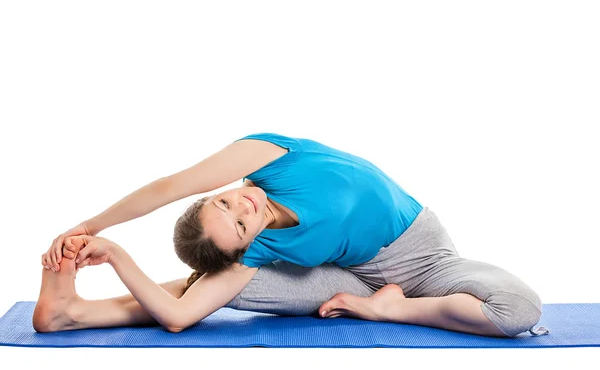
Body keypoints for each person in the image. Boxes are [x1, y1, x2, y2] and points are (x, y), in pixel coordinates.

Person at [34, 132, 547, 337]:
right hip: (346, 284)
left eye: (225, 201)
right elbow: (178, 317)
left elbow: (169, 186)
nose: (243, 206)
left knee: (519, 310)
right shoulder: (259, 247)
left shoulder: (269, 158)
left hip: (423, 259)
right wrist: (118, 255)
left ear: (215, 192)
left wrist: (89, 227)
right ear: (245, 242)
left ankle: (393, 309)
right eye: (238, 225)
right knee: (215, 289)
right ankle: (71, 312)